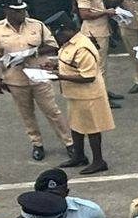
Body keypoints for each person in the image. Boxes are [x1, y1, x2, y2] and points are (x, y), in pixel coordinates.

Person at [0, 0, 70, 162]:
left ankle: (69, 142)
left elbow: (53, 45)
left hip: (39, 74)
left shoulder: (37, 25)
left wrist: (33, 52)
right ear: (7, 11)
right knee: (26, 114)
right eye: (17, 11)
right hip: (15, 78)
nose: (21, 13)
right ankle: (37, 143)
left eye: (23, 10)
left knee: (52, 111)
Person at [47, 12, 113, 174]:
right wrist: (54, 67)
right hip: (75, 94)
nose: (56, 38)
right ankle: (79, 156)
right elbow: (71, 65)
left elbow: (88, 76)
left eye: (57, 33)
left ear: (65, 30)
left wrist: (60, 76)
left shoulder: (83, 47)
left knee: (92, 129)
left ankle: (98, 160)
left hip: (89, 95)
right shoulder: (70, 43)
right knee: (76, 126)